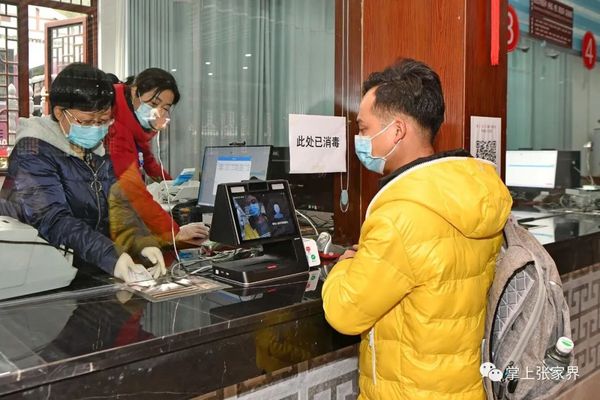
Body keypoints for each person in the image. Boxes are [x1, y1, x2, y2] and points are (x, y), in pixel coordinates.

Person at [322, 59, 512, 400]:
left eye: (364, 129)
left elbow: (344, 312)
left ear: (396, 131)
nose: (359, 139)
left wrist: (345, 264)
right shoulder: (476, 193)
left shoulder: (400, 215)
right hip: (464, 388)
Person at [0, 63, 164, 283]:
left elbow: (118, 207)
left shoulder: (96, 150)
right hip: (30, 273)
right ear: (60, 112)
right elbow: (52, 218)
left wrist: (142, 241)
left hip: (83, 266)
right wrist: (110, 255)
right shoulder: (31, 152)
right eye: (86, 122)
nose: (95, 128)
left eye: (103, 121)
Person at [105, 68, 208, 247]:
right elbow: (131, 188)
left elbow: (149, 161)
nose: (158, 111)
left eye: (165, 108)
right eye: (154, 103)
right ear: (135, 91)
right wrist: (174, 231)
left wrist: (172, 186)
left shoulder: (134, 124)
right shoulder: (115, 127)